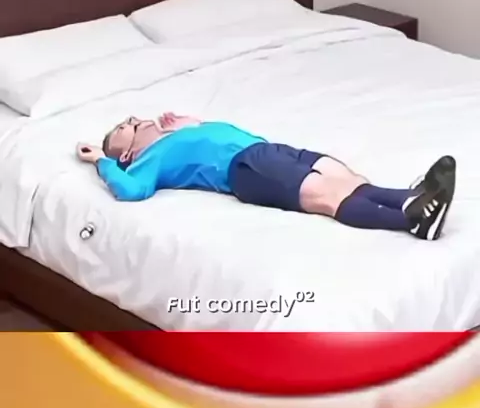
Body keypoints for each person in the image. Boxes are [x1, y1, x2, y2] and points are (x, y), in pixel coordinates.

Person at [76, 113, 457, 241]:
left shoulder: (176, 134)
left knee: (340, 174)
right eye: (126, 126)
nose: (135, 119)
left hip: (265, 149)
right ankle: (409, 221)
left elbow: (215, 135)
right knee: (324, 194)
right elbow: (131, 190)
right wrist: (101, 161)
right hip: (246, 168)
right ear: (128, 152)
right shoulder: (149, 159)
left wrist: (194, 124)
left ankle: (411, 197)